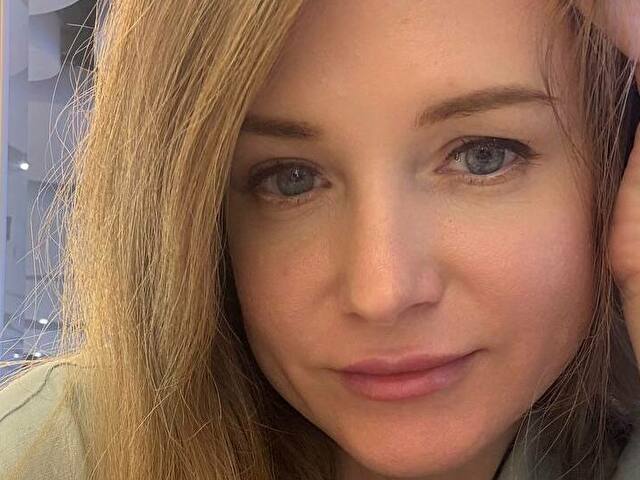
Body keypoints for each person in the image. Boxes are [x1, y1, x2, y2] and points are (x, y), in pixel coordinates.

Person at [1, 1, 640, 479]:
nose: (381, 293)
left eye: (483, 156)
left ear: (619, 164)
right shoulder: (59, 450)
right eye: (291, 178)